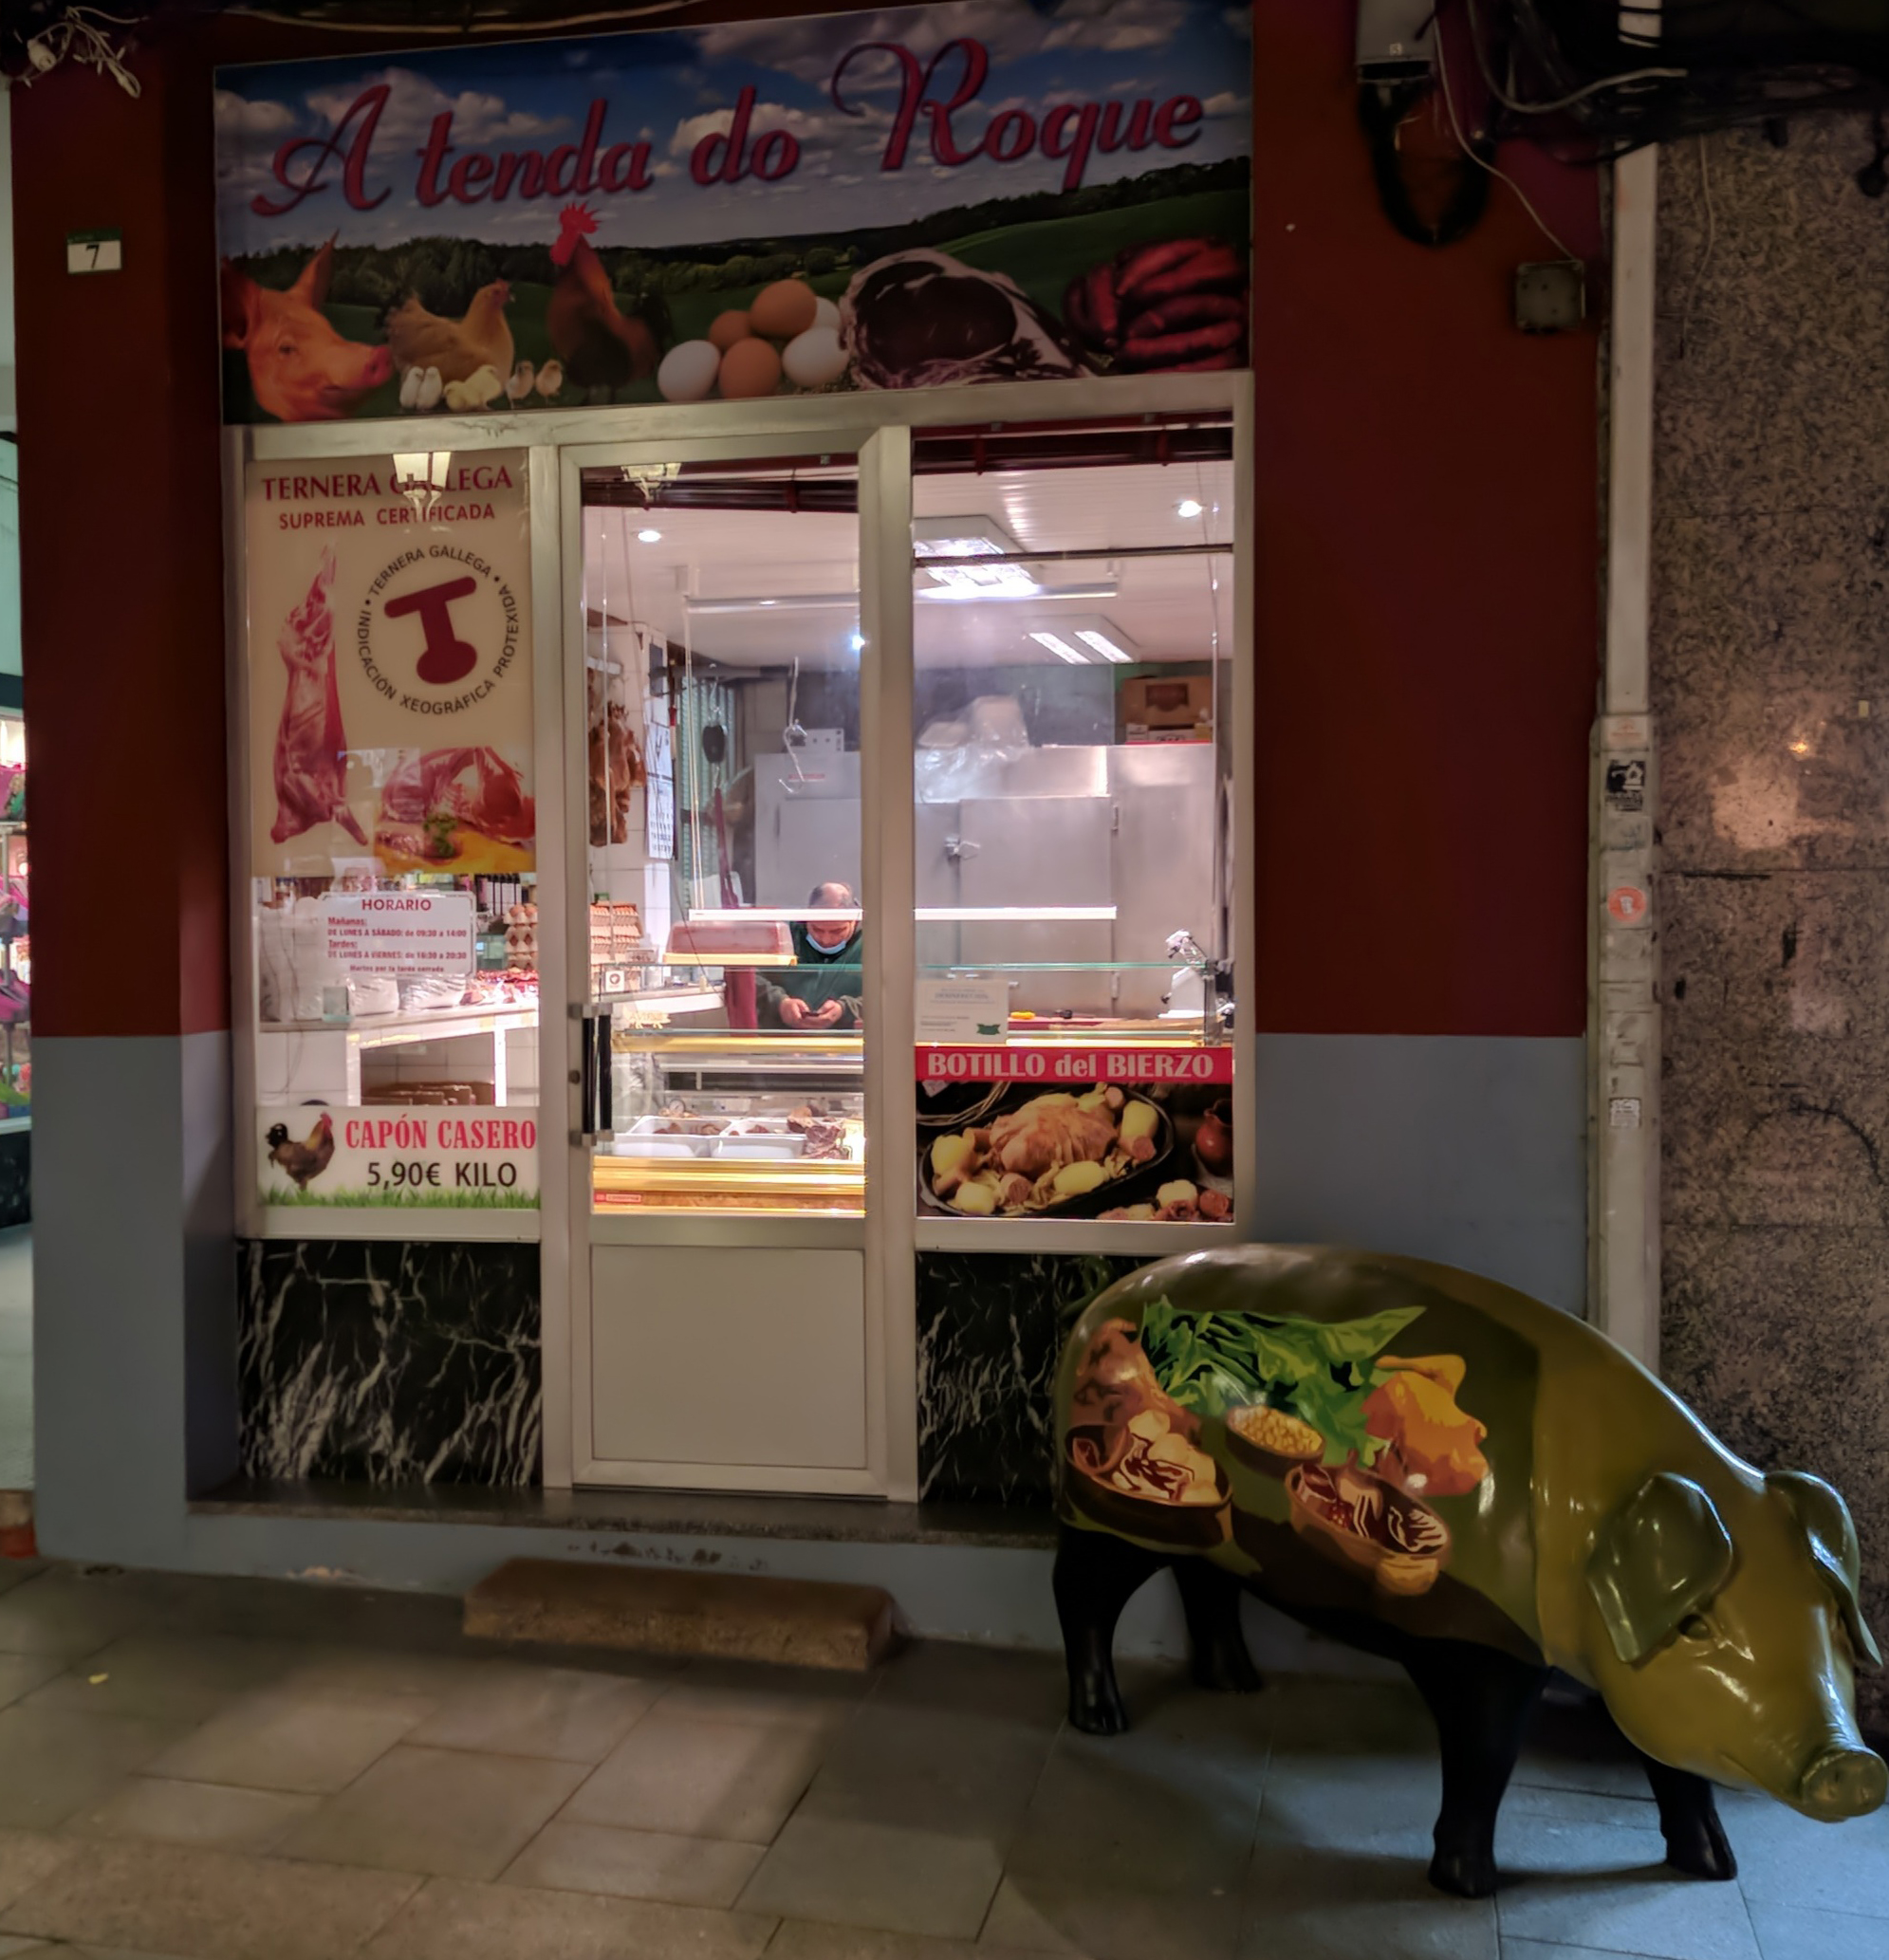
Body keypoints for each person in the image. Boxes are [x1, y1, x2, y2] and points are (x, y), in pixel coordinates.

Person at [756, 880, 862, 1030]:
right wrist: (780, 1002)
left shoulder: (874, 944)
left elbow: (889, 992)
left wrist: (847, 1008)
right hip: (783, 1038)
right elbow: (749, 978)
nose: (826, 940)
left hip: (850, 1041)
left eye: (837, 931)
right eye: (817, 929)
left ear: (854, 920)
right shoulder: (785, 935)